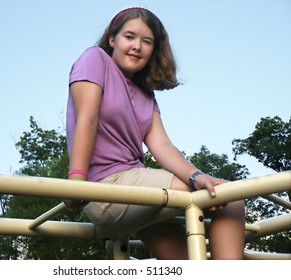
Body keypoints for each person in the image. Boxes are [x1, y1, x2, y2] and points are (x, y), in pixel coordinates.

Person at [65, 7, 245, 260]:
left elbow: (161, 145)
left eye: (146, 41)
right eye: (130, 36)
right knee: (230, 197)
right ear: (112, 39)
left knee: (195, 257)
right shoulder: (95, 59)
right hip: (106, 188)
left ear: (153, 49)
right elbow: (87, 117)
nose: (137, 46)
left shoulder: (146, 93)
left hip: (140, 198)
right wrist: (76, 182)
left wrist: (197, 176)